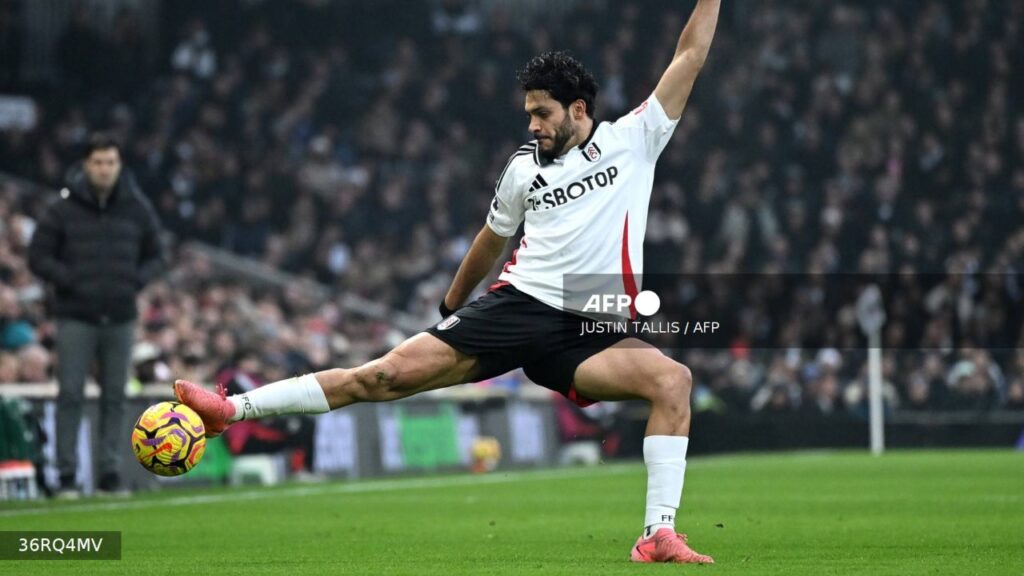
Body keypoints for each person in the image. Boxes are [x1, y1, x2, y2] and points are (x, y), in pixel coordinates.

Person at [175, 0, 720, 564]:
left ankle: (657, 534)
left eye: (541, 112)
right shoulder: (522, 168)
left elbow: (691, 53)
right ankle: (230, 410)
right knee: (380, 376)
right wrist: (453, 306)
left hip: (591, 330)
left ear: (578, 109)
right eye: (528, 112)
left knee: (673, 381)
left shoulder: (636, 138)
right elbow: (492, 237)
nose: (531, 123)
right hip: (517, 308)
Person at [28, 134, 167, 498]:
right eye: (98, 162)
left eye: (110, 162)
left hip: (121, 315)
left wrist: (135, 280)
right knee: (70, 393)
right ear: (86, 165)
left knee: (115, 396)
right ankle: (67, 476)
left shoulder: (136, 206)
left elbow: (159, 253)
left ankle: (109, 474)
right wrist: (69, 280)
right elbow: (37, 255)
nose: (104, 169)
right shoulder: (63, 209)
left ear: (119, 166)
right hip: (76, 314)